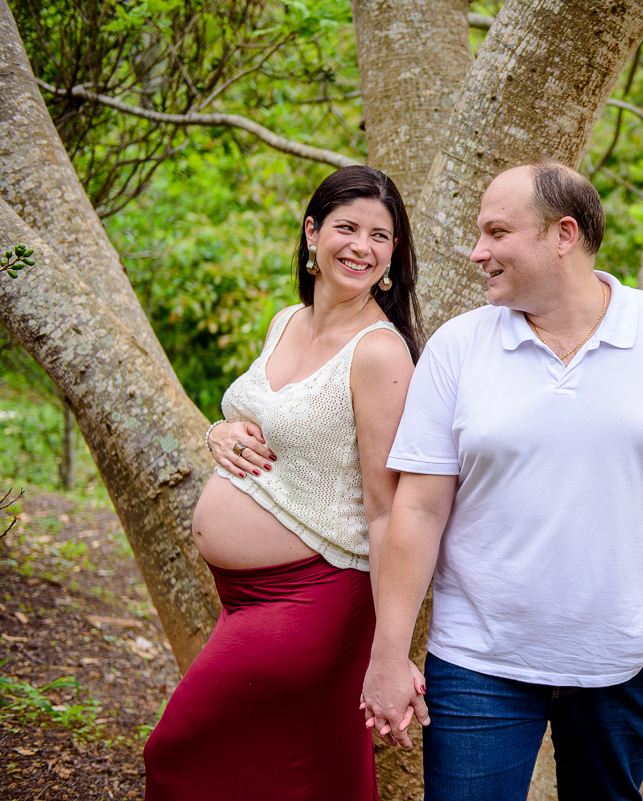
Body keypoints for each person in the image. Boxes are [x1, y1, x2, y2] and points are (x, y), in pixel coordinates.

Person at [361, 162, 643, 800]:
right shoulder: (458, 347)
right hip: (479, 660)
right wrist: (388, 653)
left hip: (630, 657)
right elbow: (418, 509)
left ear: (563, 234)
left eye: (498, 232)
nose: (478, 252)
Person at [144, 165, 430, 800]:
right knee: (303, 770)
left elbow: (389, 510)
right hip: (244, 597)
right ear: (312, 232)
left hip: (312, 597)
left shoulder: (379, 354)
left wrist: (389, 651)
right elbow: (267, 420)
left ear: (393, 255)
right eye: (347, 227)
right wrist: (219, 432)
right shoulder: (287, 321)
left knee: (177, 753)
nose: (361, 247)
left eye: (380, 236)